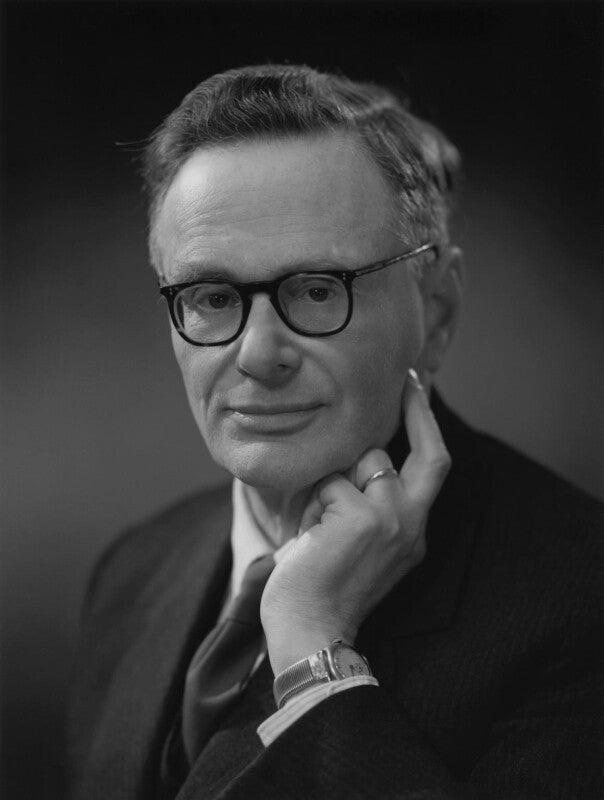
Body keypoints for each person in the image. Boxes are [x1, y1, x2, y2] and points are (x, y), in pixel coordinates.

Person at [68, 64, 602, 799]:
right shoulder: (132, 574)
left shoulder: (581, 603)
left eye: (318, 290)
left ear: (437, 310)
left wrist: (313, 655)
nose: (258, 355)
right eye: (212, 296)